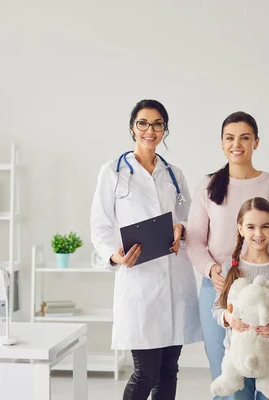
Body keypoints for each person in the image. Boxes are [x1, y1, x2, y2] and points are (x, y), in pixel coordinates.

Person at [90, 99, 202, 400]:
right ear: (132, 127)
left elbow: (188, 218)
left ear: (165, 130)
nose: (149, 130)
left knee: (169, 371)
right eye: (143, 123)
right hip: (139, 280)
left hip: (174, 279)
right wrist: (114, 256)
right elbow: (99, 228)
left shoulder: (175, 173)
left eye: (157, 124)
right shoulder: (112, 172)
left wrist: (180, 227)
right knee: (145, 374)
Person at [185, 111, 269, 399]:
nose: (237, 144)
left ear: (256, 142)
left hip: (267, 287)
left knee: (268, 369)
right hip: (221, 288)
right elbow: (195, 240)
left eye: (245, 138)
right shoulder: (209, 185)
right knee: (229, 374)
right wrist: (213, 271)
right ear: (222, 143)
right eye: (230, 138)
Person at [212, 197, 269, 399]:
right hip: (237, 354)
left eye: (265, 227)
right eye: (251, 227)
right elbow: (217, 309)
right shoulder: (231, 268)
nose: (258, 234)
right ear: (240, 229)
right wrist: (230, 319)